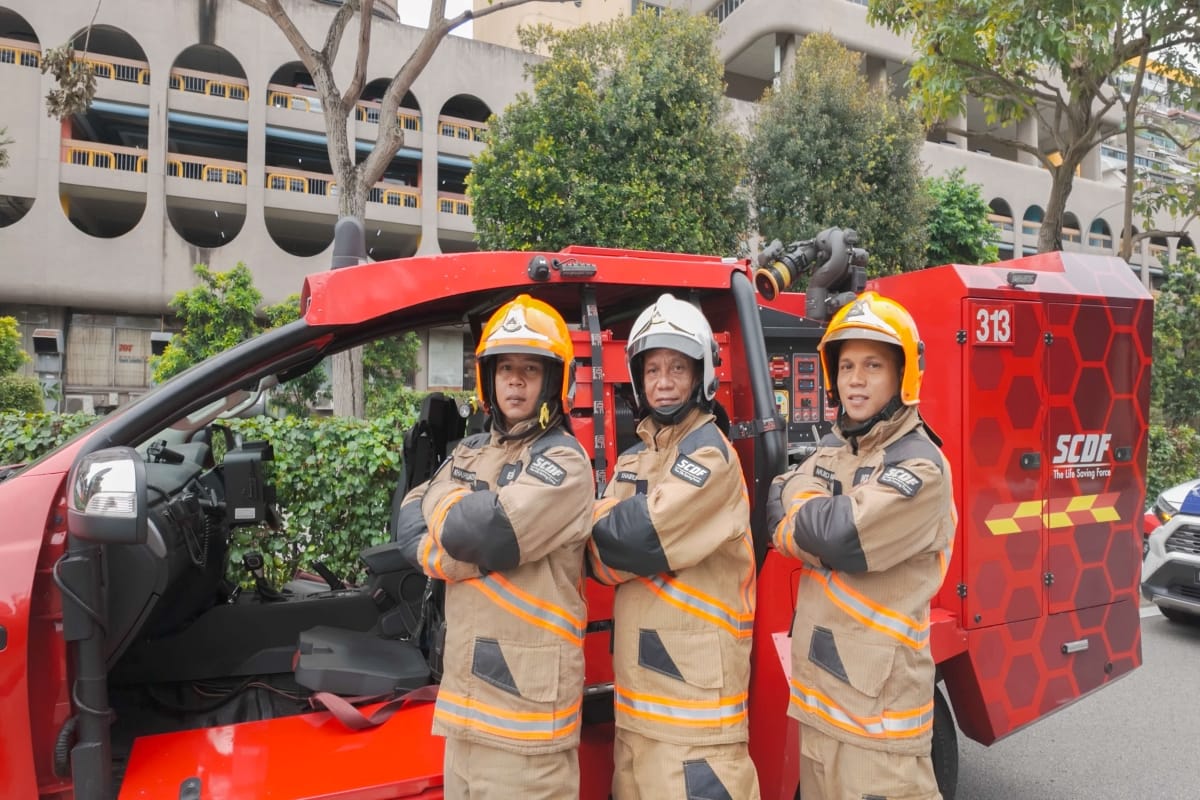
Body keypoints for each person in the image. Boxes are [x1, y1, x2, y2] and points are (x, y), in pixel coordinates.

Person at [394, 294, 594, 800]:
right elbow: (406, 520)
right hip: (463, 713)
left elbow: (489, 533)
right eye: (505, 367)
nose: (516, 380)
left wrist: (447, 508)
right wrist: (458, 526)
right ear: (488, 377)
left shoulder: (565, 462)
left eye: (531, 368)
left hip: (526, 728)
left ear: (555, 379)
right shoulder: (471, 447)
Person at [765, 291, 956, 800]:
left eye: (872, 365)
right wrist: (805, 513)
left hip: (881, 722)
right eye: (846, 365)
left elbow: (840, 537)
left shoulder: (921, 465)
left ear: (903, 375)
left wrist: (800, 510)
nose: (855, 378)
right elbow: (773, 502)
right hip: (819, 705)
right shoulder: (836, 446)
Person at [588, 293, 761, 800]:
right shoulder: (635, 458)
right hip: (639, 707)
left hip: (695, 715)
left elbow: (636, 540)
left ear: (702, 374)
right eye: (653, 370)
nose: (663, 383)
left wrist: (608, 522)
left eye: (677, 369)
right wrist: (609, 528)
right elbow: (595, 557)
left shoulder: (711, 456)